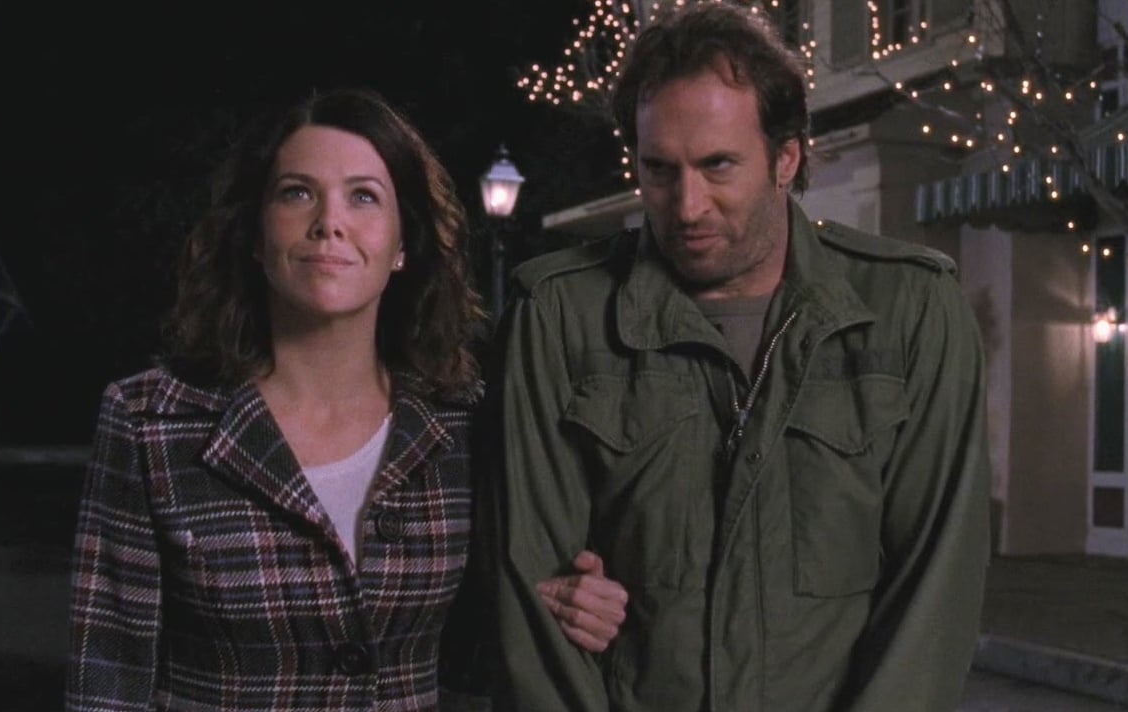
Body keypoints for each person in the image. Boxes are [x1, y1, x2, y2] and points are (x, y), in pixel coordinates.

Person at [485, 3, 991, 711]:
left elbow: (934, 591)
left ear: (786, 158)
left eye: (717, 165)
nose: (687, 205)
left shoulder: (911, 310)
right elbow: (531, 589)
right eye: (659, 169)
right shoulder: (559, 316)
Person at [64, 87, 624, 712]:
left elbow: (481, 647)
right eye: (297, 193)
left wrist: (567, 601)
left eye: (364, 197)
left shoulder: (464, 422)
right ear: (255, 235)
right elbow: (106, 680)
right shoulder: (151, 421)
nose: (329, 222)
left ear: (403, 244)